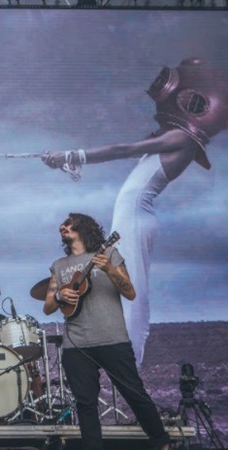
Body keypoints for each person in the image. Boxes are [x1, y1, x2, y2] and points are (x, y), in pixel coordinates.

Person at [42, 58, 228, 366]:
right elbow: (124, 148)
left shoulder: (183, 138)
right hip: (129, 219)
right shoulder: (174, 137)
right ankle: (124, 360)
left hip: (135, 219)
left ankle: (131, 364)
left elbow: (122, 149)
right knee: (121, 289)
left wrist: (73, 155)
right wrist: (66, 159)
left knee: (133, 293)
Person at [43, 213, 170, 450]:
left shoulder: (108, 253)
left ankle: (161, 442)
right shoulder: (59, 266)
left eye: (68, 223)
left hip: (112, 338)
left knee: (134, 392)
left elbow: (130, 292)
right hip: (77, 344)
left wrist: (109, 268)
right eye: (61, 224)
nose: (62, 226)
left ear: (83, 227)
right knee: (85, 404)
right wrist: (60, 295)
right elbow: (48, 306)